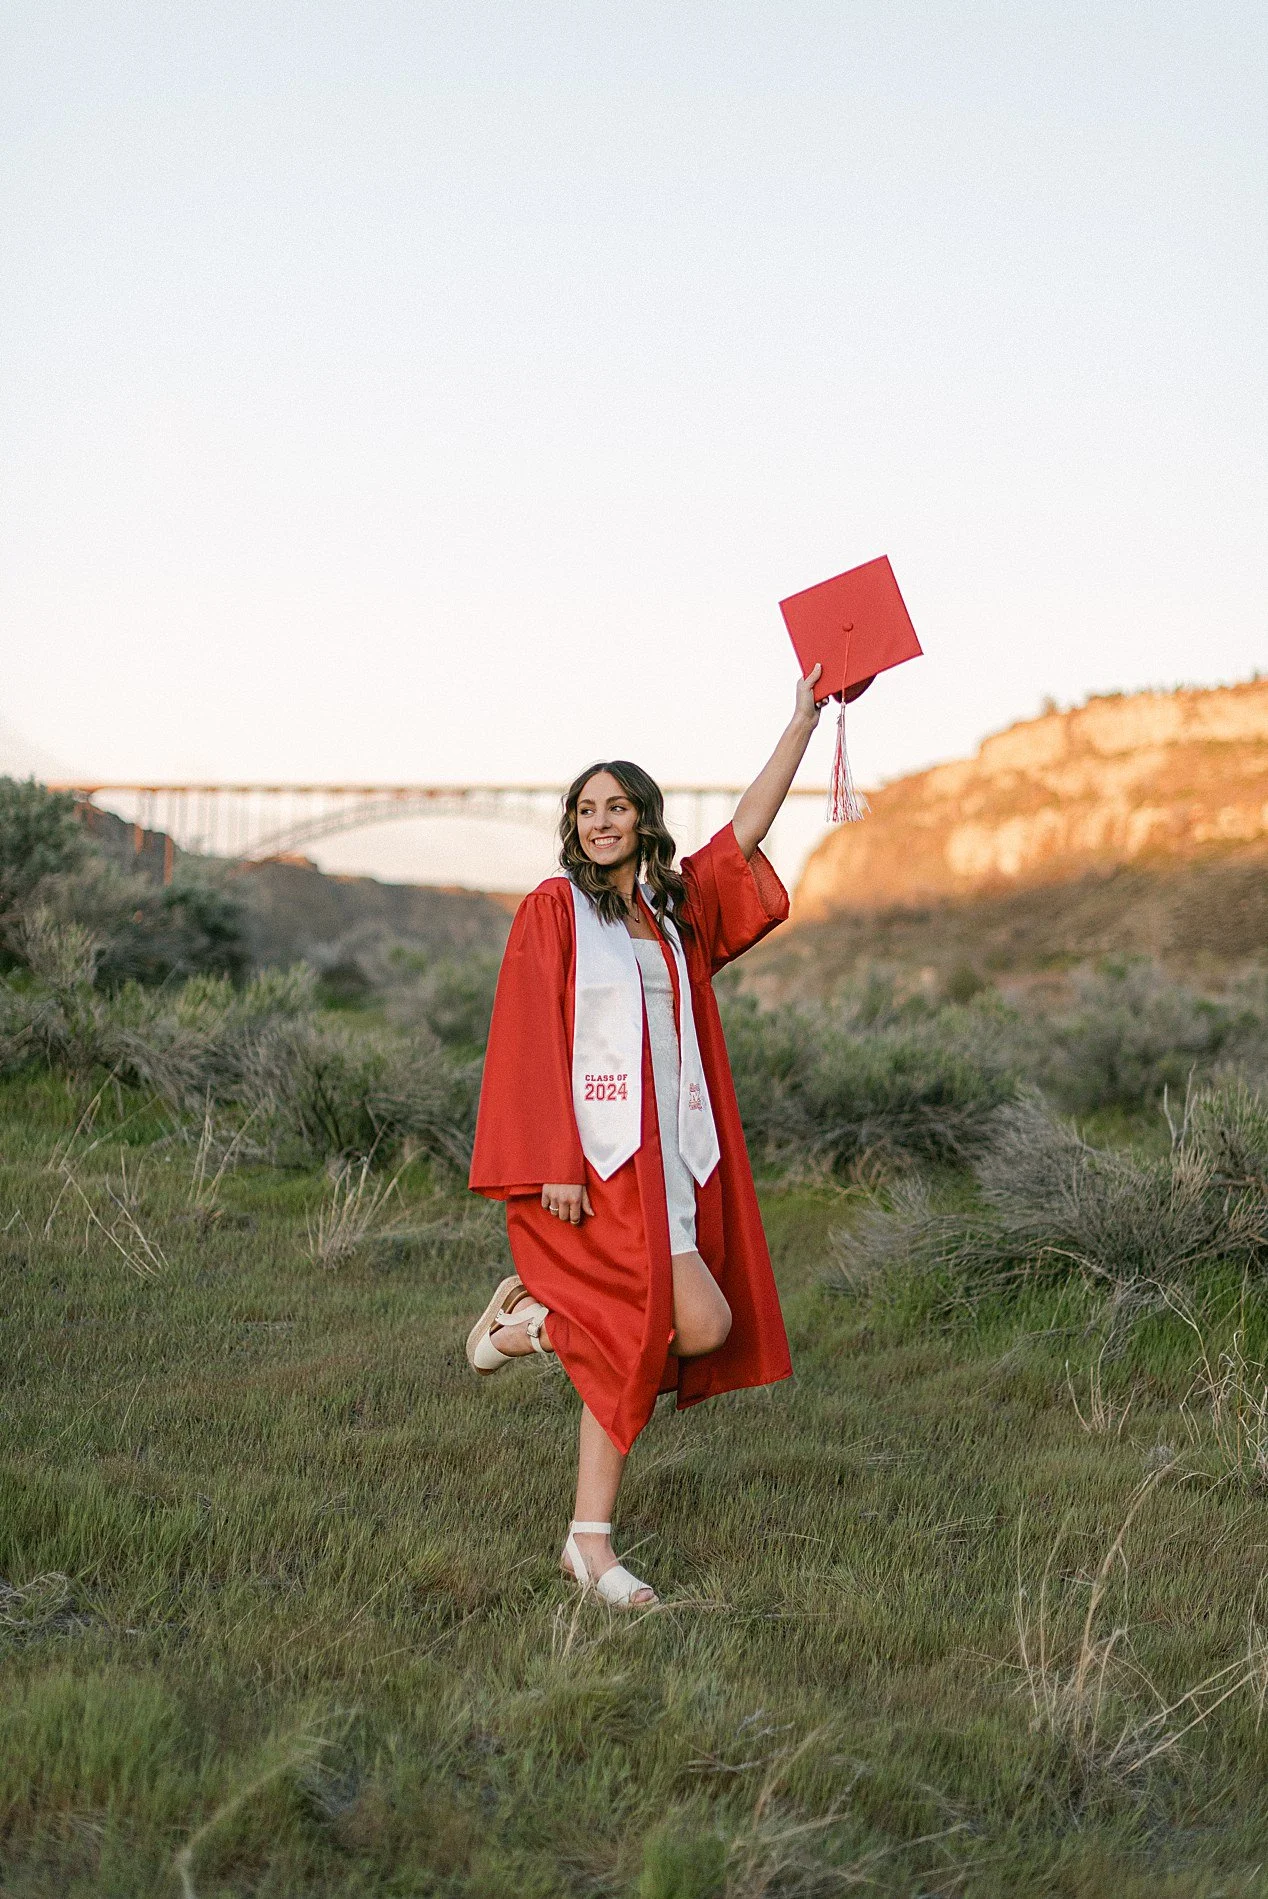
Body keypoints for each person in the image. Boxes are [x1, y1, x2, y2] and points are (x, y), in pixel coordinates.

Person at [466, 664, 825, 1607]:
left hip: (669, 1165)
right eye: (585, 807)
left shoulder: (673, 913)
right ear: (573, 825)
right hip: (596, 1166)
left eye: (617, 804)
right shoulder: (557, 911)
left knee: (698, 1326)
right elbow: (527, 1038)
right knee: (640, 1335)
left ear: (644, 819)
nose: (599, 820)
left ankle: (534, 1326)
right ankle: (591, 1545)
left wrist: (803, 718)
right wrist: (550, 1162)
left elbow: (746, 828)